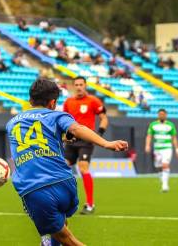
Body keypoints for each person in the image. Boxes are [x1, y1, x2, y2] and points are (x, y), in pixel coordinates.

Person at [7, 78, 128, 246]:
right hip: (65, 184)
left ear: (30, 100)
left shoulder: (12, 123)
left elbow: (35, 134)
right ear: (52, 103)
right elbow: (76, 128)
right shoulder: (58, 114)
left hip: (35, 188)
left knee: (68, 240)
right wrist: (107, 143)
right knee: (57, 227)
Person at [63, 76, 109, 215]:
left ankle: (90, 204)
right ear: (73, 86)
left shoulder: (93, 101)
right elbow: (64, 120)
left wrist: (99, 134)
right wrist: (65, 135)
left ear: (85, 85)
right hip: (72, 140)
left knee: (83, 168)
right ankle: (63, 202)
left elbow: (104, 118)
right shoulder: (68, 102)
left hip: (86, 140)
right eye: (76, 84)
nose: (78, 87)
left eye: (81, 84)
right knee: (62, 167)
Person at [145, 109, 178, 192]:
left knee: (165, 165)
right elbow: (149, 136)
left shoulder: (170, 125)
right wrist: (147, 145)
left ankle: (165, 186)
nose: (161, 115)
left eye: (163, 114)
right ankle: (163, 180)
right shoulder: (153, 125)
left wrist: (177, 149)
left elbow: (174, 138)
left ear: (166, 115)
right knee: (158, 166)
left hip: (167, 148)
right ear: (158, 115)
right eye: (160, 114)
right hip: (157, 148)